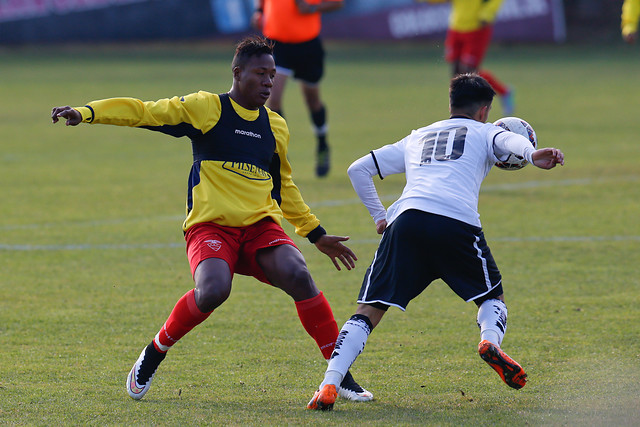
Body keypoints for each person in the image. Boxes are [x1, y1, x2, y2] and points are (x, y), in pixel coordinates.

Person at [51, 35, 372, 403]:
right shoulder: (207, 108)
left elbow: (283, 188)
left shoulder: (275, 126)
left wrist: (316, 235)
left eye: (272, 75)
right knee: (214, 290)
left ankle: (339, 374)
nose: (268, 82)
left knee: (299, 275)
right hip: (211, 225)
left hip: (259, 227)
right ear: (237, 73)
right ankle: (155, 351)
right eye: (260, 73)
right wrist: (87, 112)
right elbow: (144, 111)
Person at [307, 73, 565, 411]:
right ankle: (488, 342)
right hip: (455, 223)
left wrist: (379, 217)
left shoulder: (418, 136)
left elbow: (358, 169)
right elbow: (509, 143)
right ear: (485, 111)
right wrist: (531, 154)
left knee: (368, 311)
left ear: (451, 104)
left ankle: (329, 384)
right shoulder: (487, 132)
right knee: (492, 296)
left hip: (407, 221)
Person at [251, 0, 343, 177]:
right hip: (276, 44)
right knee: (273, 98)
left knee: (312, 101)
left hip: (306, 45)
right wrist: (258, 10)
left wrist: (312, 8)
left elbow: (338, 3)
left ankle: (322, 144)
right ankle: (280, 153)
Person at [421, 0, 514, 115]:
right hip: (456, 26)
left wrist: (487, 14)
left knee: (468, 71)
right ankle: (459, 109)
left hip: (476, 27)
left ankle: (472, 108)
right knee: (456, 72)